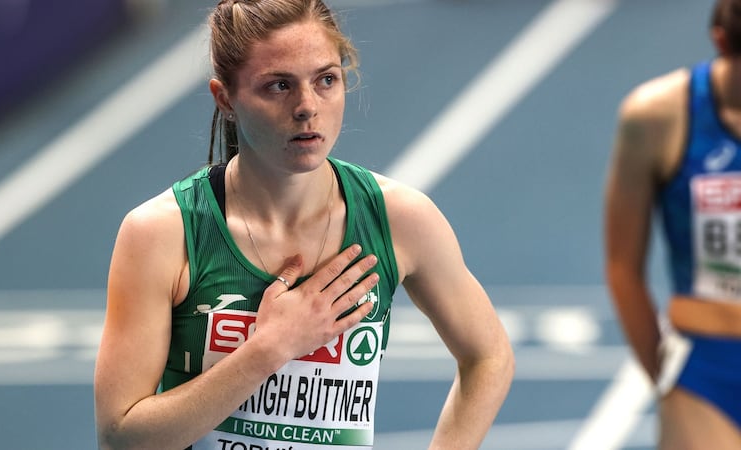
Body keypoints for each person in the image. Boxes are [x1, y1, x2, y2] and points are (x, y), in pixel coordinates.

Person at [93, 1, 514, 449]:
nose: (307, 107)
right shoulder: (162, 234)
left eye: (326, 80)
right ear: (225, 98)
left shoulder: (400, 220)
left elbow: (489, 356)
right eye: (278, 86)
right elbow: (120, 438)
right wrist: (267, 350)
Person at [604, 0, 741, 448]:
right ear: (722, 41)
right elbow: (623, 265)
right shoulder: (658, 118)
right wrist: (665, 376)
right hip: (707, 367)